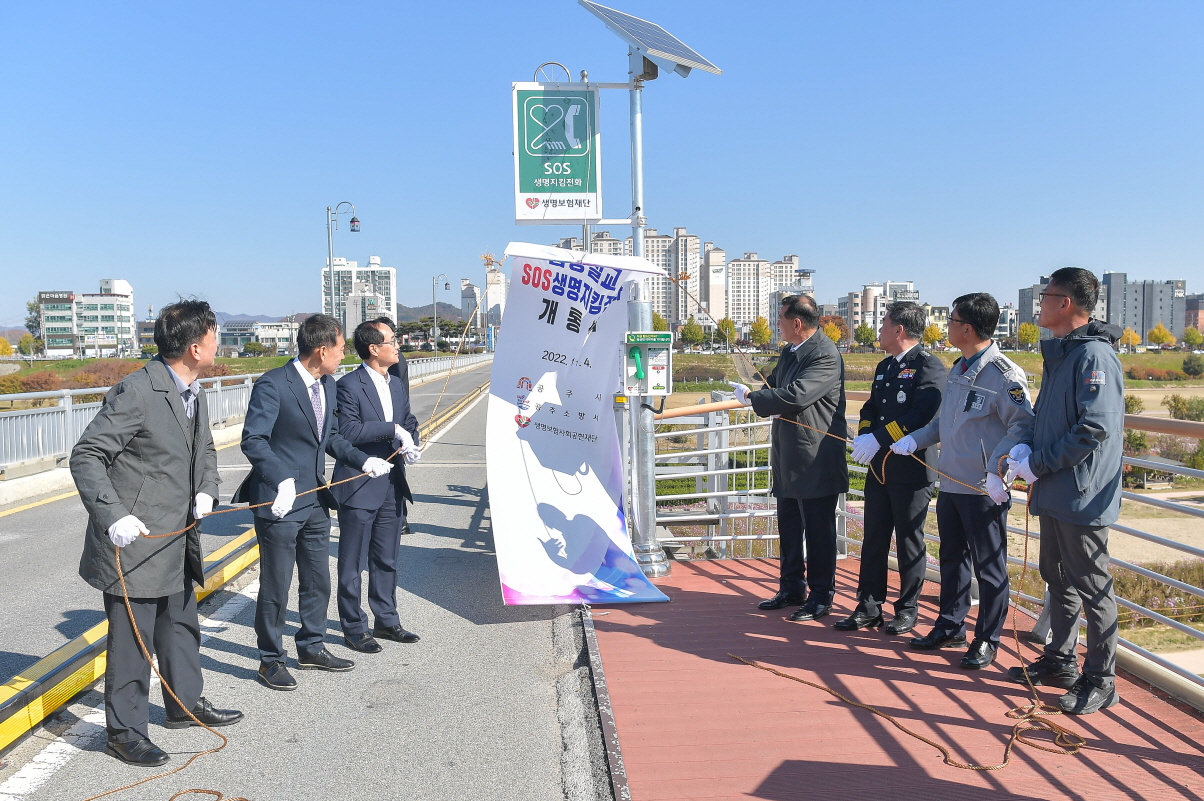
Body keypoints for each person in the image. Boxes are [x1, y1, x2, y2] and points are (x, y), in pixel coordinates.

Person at [72, 299, 242, 767]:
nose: (218, 343)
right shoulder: (137, 391)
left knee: (180, 624)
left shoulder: (192, 390)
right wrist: (113, 516)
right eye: (214, 336)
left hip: (178, 534)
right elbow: (87, 455)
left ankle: (184, 704)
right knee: (133, 641)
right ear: (194, 348)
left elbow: (205, 449)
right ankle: (124, 732)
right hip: (137, 541)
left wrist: (207, 488)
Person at [234, 314, 395, 691]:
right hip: (280, 499)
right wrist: (281, 479)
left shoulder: (329, 385)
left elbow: (333, 438)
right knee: (277, 584)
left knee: (318, 579)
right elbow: (253, 440)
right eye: (340, 349)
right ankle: (271, 659)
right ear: (322, 350)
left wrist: (364, 461)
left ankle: (311, 646)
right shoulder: (274, 384)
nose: (344, 356)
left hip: (316, 499)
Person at [892, 293, 1034, 668]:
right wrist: (915, 440)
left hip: (983, 487)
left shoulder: (1004, 374)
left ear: (967, 328)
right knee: (952, 559)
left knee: (989, 567)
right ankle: (950, 626)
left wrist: (997, 470)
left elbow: (1023, 425)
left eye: (952, 320)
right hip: (952, 482)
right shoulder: (959, 368)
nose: (948, 326)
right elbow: (945, 423)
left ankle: (987, 638)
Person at [1006, 268, 1124, 715]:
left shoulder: (1094, 356)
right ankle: (1060, 658)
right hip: (1056, 489)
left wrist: (1037, 463)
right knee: (1056, 576)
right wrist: (1026, 447)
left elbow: (1094, 427)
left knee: (1092, 585)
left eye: (1045, 296)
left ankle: (1101, 679)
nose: (1039, 304)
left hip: (1080, 493)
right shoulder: (1064, 353)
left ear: (1065, 303)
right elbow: (1047, 418)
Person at [730, 295, 849, 622]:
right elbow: (775, 385)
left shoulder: (825, 354)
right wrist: (754, 388)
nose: (777, 326)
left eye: (780, 320)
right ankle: (792, 586)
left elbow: (797, 395)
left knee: (819, 532)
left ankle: (821, 596)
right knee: (790, 526)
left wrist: (754, 399)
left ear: (797, 323)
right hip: (787, 453)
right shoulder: (790, 352)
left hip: (815, 456)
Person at [840, 302, 945, 635]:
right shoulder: (885, 366)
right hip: (879, 467)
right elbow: (871, 407)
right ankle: (868, 607)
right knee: (874, 537)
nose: (879, 331)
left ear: (899, 330)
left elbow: (922, 414)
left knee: (909, 541)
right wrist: (866, 434)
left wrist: (880, 437)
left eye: (883, 324)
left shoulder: (928, 366)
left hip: (911, 469)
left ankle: (908, 609)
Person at [331, 319, 422, 653]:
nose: (398, 346)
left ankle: (387, 619)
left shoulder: (395, 382)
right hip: (360, 483)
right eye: (392, 341)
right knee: (353, 563)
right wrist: (393, 430)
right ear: (373, 348)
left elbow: (408, 421)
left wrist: (411, 442)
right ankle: (354, 627)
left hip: (392, 483)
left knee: (386, 557)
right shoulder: (348, 385)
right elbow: (349, 431)